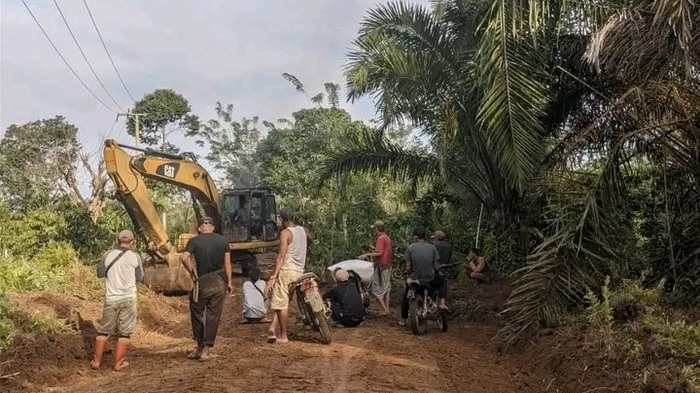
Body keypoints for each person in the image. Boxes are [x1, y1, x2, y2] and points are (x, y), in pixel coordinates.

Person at [90, 229, 144, 371]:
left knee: (104, 330)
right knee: (124, 332)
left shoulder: (108, 255)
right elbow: (140, 278)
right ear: (132, 242)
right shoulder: (135, 257)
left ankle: (96, 361)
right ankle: (119, 363)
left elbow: (100, 273)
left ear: (117, 240)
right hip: (129, 298)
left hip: (112, 298)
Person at [180, 216, 233, 361]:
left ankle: (199, 346)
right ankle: (206, 351)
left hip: (202, 281)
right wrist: (229, 282)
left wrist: (192, 271)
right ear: (213, 227)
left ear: (199, 228)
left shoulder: (194, 241)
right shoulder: (223, 241)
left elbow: (184, 258)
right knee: (213, 316)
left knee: (196, 312)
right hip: (219, 280)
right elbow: (227, 264)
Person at [266, 208, 312, 344]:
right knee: (281, 300)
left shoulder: (285, 233)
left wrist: (273, 276)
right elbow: (310, 241)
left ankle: (283, 335)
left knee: (281, 304)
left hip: (287, 271)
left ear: (282, 219)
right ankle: (272, 327)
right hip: (299, 271)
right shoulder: (303, 230)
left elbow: (281, 256)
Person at [399, 226, 448, 326]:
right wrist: (437, 271)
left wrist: (408, 273)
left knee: (406, 296)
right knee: (442, 282)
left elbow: (408, 267)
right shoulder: (432, 247)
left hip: (415, 279)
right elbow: (436, 266)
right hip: (429, 279)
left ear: (416, 237)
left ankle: (403, 319)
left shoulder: (410, 248)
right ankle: (442, 303)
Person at [358, 220, 392, 315]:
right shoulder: (386, 237)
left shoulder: (381, 238)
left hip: (382, 266)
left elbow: (379, 253)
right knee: (386, 288)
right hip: (387, 265)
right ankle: (386, 309)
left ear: (377, 229)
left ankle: (385, 309)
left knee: (376, 290)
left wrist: (366, 254)